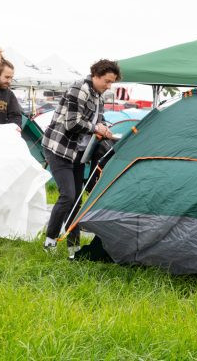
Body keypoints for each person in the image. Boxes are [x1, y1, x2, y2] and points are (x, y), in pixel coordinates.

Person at [42, 59, 121, 258]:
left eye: (112, 82)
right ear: (95, 75)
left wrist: (105, 128)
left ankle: (73, 248)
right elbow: (72, 123)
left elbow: (98, 120)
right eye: (107, 81)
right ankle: (49, 241)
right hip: (59, 149)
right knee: (67, 196)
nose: (109, 86)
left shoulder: (99, 97)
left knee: (76, 200)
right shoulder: (80, 89)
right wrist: (96, 128)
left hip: (78, 153)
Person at [0, 48, 22, 129]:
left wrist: (16, 126)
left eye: (11, 78)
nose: (9, 81)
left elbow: (16, 117)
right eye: (7, 77)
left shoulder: (9, 95)